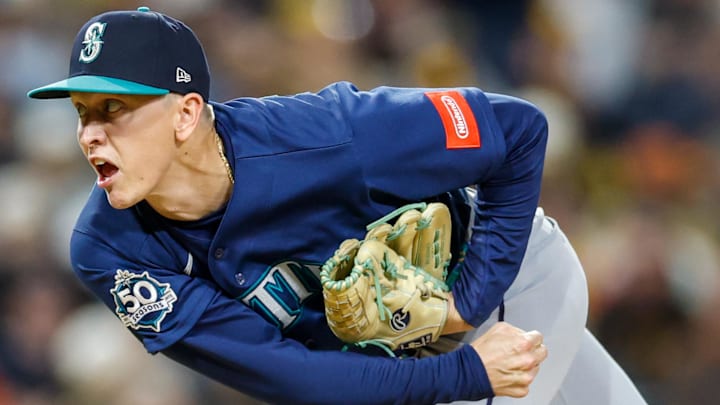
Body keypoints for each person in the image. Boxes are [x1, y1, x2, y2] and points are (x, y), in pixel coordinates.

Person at [27, 7, 647, 405]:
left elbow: (518, 130)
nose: (89, 135)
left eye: (115, 110)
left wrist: (468, 305)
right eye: (82, 113)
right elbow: (287, 375)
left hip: (502, 286)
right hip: (407, 365)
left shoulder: (330, 135)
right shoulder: (109, 248)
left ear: (187, 113)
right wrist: (457, 375)